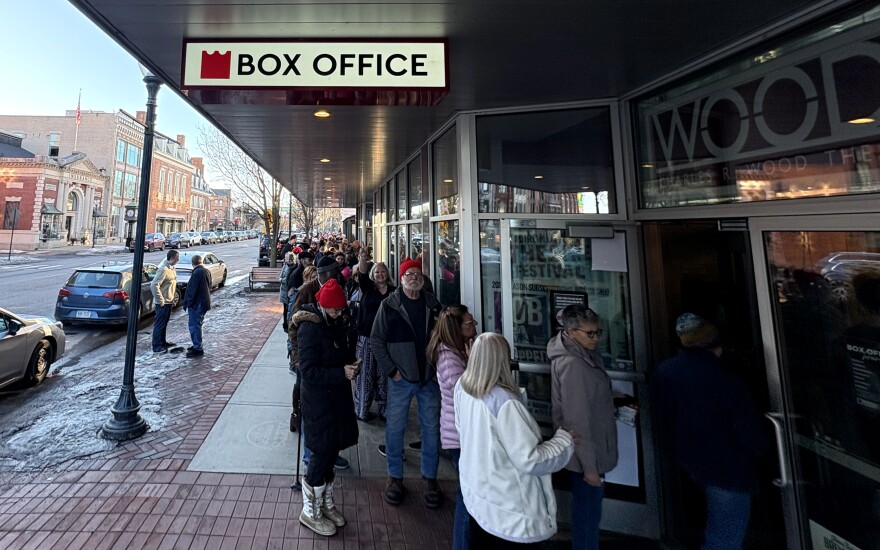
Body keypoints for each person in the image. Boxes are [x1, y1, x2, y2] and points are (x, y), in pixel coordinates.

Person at [654, 313, 769, 550]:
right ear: (715, 344)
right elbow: (751, 434)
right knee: (724, 540)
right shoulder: (727, 379)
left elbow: (663, 418)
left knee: (719, 534)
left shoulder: (666, 371)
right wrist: (763, 452)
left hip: (691, 460)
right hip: (728, 466)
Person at [455, 333, 575, 547]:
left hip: (480, 500)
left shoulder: (463, 388)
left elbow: (461, 429)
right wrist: (564, 440)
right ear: (503, 360)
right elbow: (530, 459)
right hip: (512, 514)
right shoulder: (505, 404)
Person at [371, 258, 444, 507]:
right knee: (395, 427)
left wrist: (438, 368)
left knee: (431, 429)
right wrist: (392, 371)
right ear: (401, 279)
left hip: (429, 378)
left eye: (416, 273)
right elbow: (377, 340)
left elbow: (444, 338)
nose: (413, 276)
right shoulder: (389, 306)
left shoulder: (433, 305)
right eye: (408, 273)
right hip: (401, 379)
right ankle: (395, 477)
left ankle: (430, 478)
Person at [292, 278, 360, 536]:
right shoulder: (310, 328)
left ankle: (325, 503)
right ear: (324, 306)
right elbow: (308, 371)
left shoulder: (335, 321)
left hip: (336, 399)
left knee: (331, 453)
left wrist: (351, 363)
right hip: (319, 403)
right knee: (320, 456)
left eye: (341, 309)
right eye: (335, 309)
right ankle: (310, 510)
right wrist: (341, 372)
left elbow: (338, 354)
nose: (339, 313)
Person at [547, 305, 617, 550]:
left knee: (587, 513)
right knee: (587, 515)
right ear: (571, 331)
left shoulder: (582, 354)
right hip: (585, 454)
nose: (596, 338)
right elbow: (577, 419)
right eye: (590, 333)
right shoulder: (573, 364)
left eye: (598, 332)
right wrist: (590, 468)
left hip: (590, 448)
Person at [431, 305, 478, 549]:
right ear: (456, 329)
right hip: (458, 436)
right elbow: (467, 392)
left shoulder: (458, 352)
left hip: (464, 433)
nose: (475, 325)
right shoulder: (450, 358)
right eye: (470, 323)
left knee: (468, 492)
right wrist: (473, 363)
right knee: (467, 495)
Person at [353, 257, 395, 421]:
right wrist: (363, 257)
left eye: (383, 271)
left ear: (387, 274)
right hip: (367, 338)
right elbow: (362, 273)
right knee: (365, 375)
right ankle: (362, 411)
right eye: (377, 271)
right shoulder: (368, 288)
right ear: (373, 274)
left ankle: (385, 411)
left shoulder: (395, 291)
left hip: (387, 340)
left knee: (385, 376)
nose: (380, 274)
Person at [150, 249, 179, 353]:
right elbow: (154, 285)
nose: (178, 260)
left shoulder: (172, 268)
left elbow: (171, 284)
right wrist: (160, 300)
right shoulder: (163, 269)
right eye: (177, 259)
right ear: (171, 258)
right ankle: (157, 346)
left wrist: (173, 297)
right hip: (163, 303)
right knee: (159, 324)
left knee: (164, 323)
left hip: (169, 301)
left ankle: (163, 342)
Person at [182, 254, 211, 358]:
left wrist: (188, 303)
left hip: (197, 304)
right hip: (204, 303)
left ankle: (197, 347)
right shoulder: (206, 271)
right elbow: (209, 285)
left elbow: (192, 291)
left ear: (192, 263)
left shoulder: (196, 273)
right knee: (197, 325)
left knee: (194, 326)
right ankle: (197, 344)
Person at [279, 251, 296, 331]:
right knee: (285, 309)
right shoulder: (285, 266)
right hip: (284, 290)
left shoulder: (294, 267)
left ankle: (290, 323)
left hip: (291, 290)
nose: (285, 259)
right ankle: (285, 324)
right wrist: (283, 280)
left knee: (291, 308)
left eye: (286, 258)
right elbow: (280, 277)